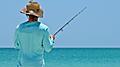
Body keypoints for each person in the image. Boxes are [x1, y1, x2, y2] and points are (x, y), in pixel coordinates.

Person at [14, 1, 55, 67]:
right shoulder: (44, 29)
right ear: (38, 15)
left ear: (27, 14)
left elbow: (16, 45)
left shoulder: (19, 28)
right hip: (38, 64)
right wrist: (52, 40)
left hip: (22, 64)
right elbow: (48, 49)